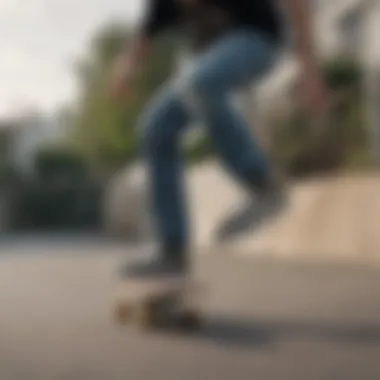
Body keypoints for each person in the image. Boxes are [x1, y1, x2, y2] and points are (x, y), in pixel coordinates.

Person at [109, 0, 327, 278]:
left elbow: (297, 4)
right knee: (155, 127)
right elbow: (140, 41)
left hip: (259, 42)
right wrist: (126, 70)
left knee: (197, 84)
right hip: (207, 66)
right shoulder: (160, 6)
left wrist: (309, 71)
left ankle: (261, 183)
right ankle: (172, 251)